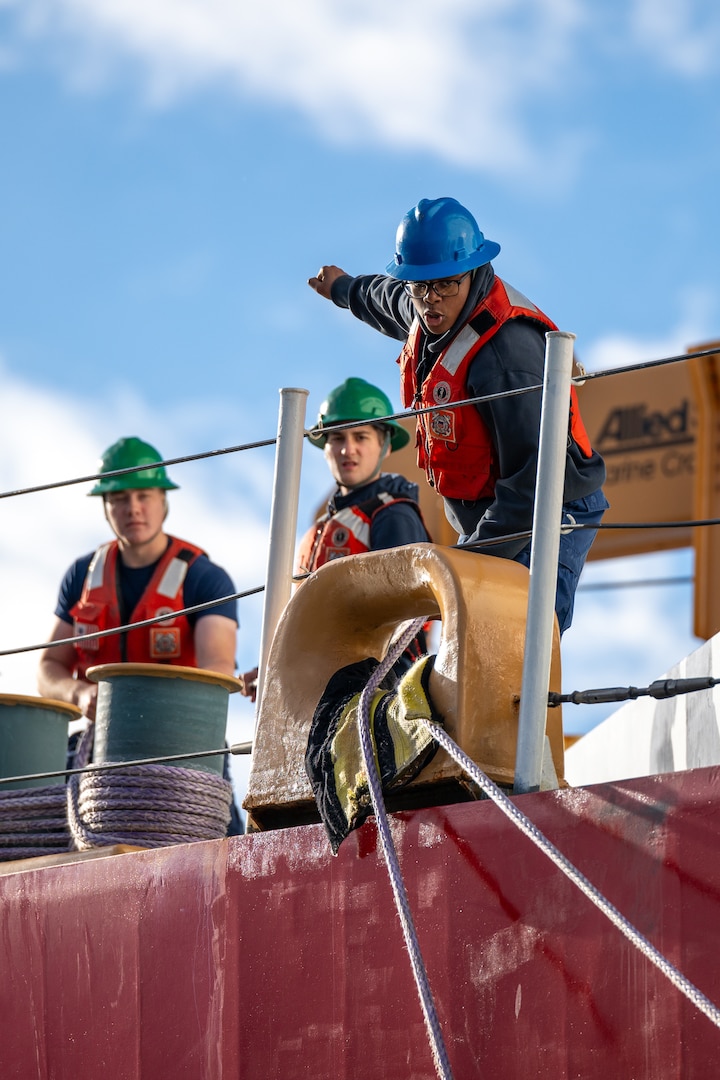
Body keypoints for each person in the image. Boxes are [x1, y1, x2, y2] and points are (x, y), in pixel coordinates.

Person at [308, 197, 608, 634]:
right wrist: (342, 288)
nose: (430, 299)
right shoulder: (429, 305)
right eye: (419, 285)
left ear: (472, 273)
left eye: (444, 285)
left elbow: (534, 483)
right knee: (469, 633)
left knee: (516, 633)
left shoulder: (506, 356)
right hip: (492, 507)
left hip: (550, 505)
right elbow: (383, 298)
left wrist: (472, 560)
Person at [37, 436, 243, 833]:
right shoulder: (81, 576)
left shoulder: (204, 578)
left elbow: (218, 669)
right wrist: (78, 694)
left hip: (184, 755)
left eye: (144, 495)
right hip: (97, 755)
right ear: (105, 507)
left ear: (164, 500)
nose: (133, 508)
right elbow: (49, 665)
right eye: (119, 498)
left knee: (219, 846)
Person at [240, 378, 431, 701]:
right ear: (325, 447)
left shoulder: (393, 516)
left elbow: (397, 622)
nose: (348, 449)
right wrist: (274, 667)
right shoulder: (317, 532)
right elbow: (303, 622)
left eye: (361, 437)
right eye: (337, 438)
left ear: (384, 444)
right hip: (321, 684)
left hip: (375, 687)